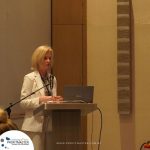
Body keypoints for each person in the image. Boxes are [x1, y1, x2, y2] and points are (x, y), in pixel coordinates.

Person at [20, 45, 63, 150]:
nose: (48, 61)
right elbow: (23, 103)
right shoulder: (29, 78)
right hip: (33, 127)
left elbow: (50, 101)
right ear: (38, 59)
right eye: (45, 58)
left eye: (50, 58)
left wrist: (56, 100)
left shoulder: (53, 79)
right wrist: (40, 99)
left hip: (49, 126)